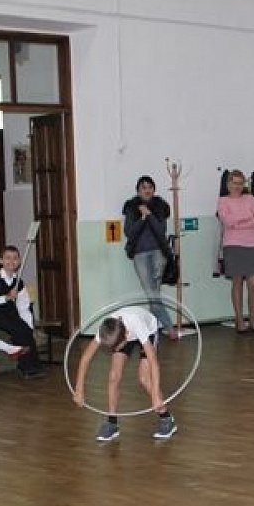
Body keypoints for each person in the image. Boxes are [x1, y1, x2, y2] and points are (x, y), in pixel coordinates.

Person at [72, 305, 176, 441]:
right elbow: (85, 358)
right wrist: (79, 390)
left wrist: (156, 394)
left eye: (116, 347)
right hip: (121, 332)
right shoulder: (107, 328)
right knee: (113, 376)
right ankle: (112, 423)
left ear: (126, 337)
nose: (114, 350)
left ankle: (166, 418)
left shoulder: (137, 324)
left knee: (144, 378)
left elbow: (153, 363)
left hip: (148, 331)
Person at [0, 246, 46, 379]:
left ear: (19, 261)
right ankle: (25, 367)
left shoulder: (19, 282)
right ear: (1, 261)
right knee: (19, 330)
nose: (12, 261)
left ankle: (35, 365)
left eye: (15, 258)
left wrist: (29, 324)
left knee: (25, 329)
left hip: (12, 314)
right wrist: (7, 297)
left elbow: (23, 306)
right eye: (8, 258)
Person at [123, 175, 174, 334]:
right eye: (143, 187)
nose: (147, 190)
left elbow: (161, 230)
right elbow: (129, 232)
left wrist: (150, 215)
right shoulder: (131, 207)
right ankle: (168, 326)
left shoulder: (160, 206)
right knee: (151, 293)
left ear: (154, 189)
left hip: (159, 253)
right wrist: (142, 218)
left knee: (154, 293)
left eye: (150, 187)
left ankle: (155, 328)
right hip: (139, 255)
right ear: (138, 190)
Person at [217, 170, 254, 333]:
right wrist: (246, 218)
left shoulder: (250, 198)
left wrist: (239, 222)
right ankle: (239, 320)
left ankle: (252, 319)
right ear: (228, 184)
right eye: (234, 183)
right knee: (237, 282)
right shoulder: (223, 201)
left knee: (253, 284)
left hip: (251, 244)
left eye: (240, 183)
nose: (237, 186)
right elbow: (227, 221)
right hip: (232, 245)